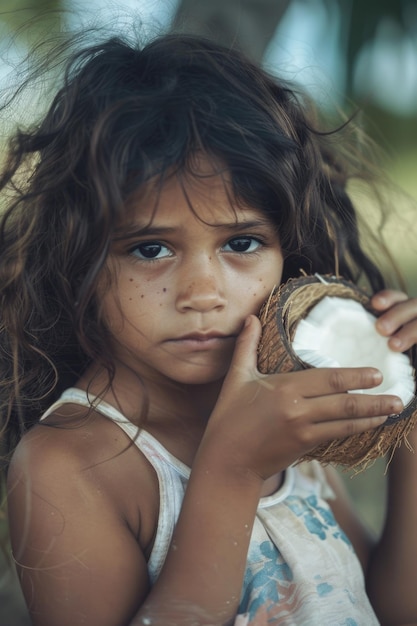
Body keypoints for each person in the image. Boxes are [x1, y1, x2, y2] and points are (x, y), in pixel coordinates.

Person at [1, 32, 417, 626]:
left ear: (288, 255)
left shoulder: (289, 416)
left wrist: (411, 425)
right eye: (150, 249)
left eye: (242, 243)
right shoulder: (69, 465)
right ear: (79, 265)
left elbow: (392, 609)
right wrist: (236, 467)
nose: (202, 293)